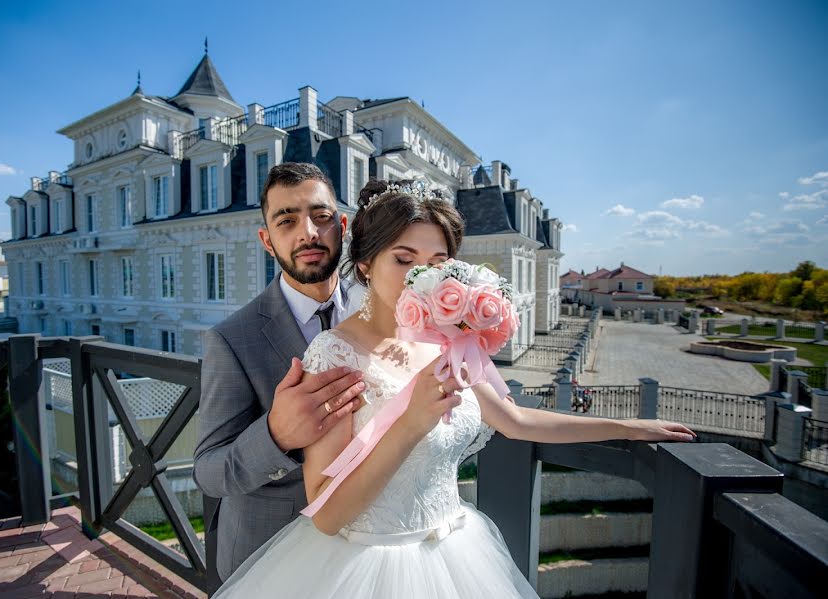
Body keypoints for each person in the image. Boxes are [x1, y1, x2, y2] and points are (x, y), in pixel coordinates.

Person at [211, 180, 697, 598]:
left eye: (437, 261)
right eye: (404, 259)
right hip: (367, 567)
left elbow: (516, 419)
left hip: (456, 553)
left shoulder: (450, 340)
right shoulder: (333, 353)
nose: (423, 276)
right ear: (364, 264)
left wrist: (629, 427)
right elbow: (325, 514)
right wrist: (410, 423)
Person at [193, 162, 366, 581]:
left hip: (365, 552)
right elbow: (209, 472)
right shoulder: (231, 339)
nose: (308, 232)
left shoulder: (378, 310)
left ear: (341, 225)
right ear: (267, 241)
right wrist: (277, 437)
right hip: (271, 559)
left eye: (320, 216)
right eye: (287, 220)